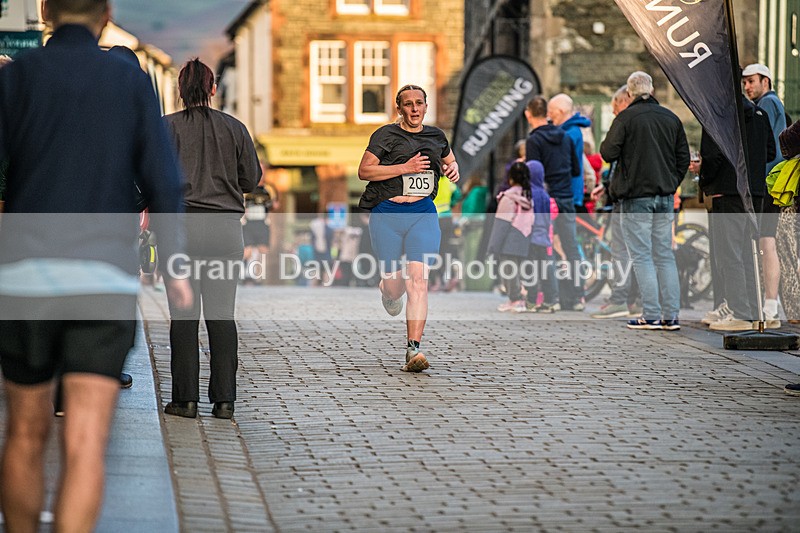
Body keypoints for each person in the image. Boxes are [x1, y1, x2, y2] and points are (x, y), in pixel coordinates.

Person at [0, 0, 191, 530]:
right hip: (102, 275)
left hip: (23, 278)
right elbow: (164, 181)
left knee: (24, 433)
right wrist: (175, 265)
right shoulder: (129, 83)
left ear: (44, 10)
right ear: (105, 14)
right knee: (85, 440)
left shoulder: (18, 77)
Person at [163, 58, 260, 419]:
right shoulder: (235, 128)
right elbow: (251, 179)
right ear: (213, 89)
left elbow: (151, 178)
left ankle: (185, 400)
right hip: (224, 231)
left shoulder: (166, 128)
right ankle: (224, 401)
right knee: (222, 316)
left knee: (183, 317)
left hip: (181, 231)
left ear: (180, 90)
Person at [358, 84, 459, 372]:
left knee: (419, 281)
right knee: (395, 288)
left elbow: (450, 161)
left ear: (426, 106)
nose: (414, 108)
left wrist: (453, 169)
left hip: (422, 213)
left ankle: (413, 349)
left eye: (419, 103)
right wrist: (405, 167)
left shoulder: (436, 136)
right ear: (399, 108)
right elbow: (364, 171)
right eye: (408, 104)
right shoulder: (385, 135)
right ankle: (386, 290)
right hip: (387, 215)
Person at [600, 71, 689, 330]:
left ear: (629, 93)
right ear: (651, 90)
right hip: (664, 196)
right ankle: (671, 316)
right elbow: (683, 157)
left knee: (641, 256)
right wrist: (671, 182)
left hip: (636, 197)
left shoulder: (626, 118)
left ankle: (650, 314)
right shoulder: (671, 118)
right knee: (664, 255)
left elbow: (607, 152)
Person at [693, 95, 776, 331]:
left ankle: (740, 313)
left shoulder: (718, 113)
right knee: (748, 252)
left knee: (730, 253)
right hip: (755, 192)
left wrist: (706, 180)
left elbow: (712, 155)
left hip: (728, 191)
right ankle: (754, 312)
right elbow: (770, 152)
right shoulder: (760, 114)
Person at [524, 95, 582, 311]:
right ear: (547, 114)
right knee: (571, 246)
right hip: (566, 197)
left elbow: (534, 175)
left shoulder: (534, 140)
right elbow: (576, 169)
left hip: (546, 201)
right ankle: (577, 298)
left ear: (528, 114)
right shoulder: (565, 136)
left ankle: (551, 299)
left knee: (544, 248)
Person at [590, 85, 641, 319]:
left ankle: (621, 299)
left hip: (629, 198)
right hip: (638, 195)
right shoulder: (653, 120)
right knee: (641, 251)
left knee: (624, 251)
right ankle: (636, 301)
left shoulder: (626, 123)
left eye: (614, 106)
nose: (613, 112)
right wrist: (607, 185)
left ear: (625, 101)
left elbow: (608, 152)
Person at [742, 63, 786, 326]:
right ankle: (770, 305)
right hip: (773, 182)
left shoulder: (767, 104)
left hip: (768, 182)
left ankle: (769, 306)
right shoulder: (772, 103)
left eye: (752, 81)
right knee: (766, 241)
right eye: (745, 82)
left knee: (765, 242)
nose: (747, 86)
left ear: (765, 81)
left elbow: (764, 146)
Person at [487, 162, 534, 312]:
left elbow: (501, 224)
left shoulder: (508, 198)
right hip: (524, 237)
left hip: (508, 241)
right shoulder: (528, 196)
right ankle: (519, 298)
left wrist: (493, 246)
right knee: (519, 271)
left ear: (510, 179)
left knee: (508, 272)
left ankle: (515, 300)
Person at [523, 160, 559, 313]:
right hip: (544, 239)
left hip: (531, 239)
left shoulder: (528, 193)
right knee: (546, 272)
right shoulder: (545, 194)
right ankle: (550, 301)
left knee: (530, 271)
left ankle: (531, 301)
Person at [548, 93, 592, 212]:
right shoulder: (567, 131)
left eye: (551, 112)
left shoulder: (570, 133)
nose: (549, 116)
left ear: (561, 111)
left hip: (568, 192)